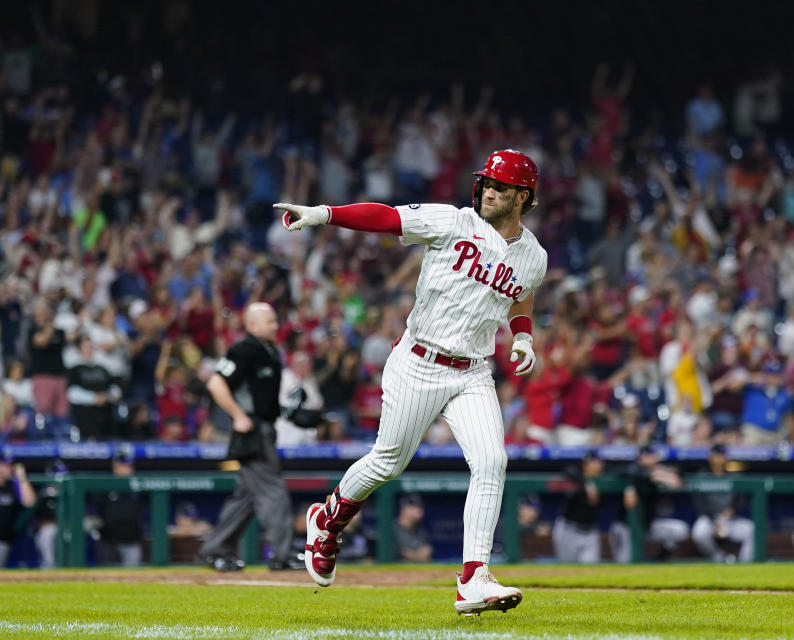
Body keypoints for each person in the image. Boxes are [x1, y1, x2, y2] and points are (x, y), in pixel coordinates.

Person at [276, 148, 547, 615]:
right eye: (486, 182)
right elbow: (384, 217)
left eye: (500, 186)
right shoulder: (453, 221)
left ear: (523, 196)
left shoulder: (534, 255)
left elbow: (520, 301)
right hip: (418, 360)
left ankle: (474, 578)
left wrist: (523, 339)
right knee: (387, 463)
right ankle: (328, 517)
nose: (488, 191)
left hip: (473, 371)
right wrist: (323, 214)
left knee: (492, 462)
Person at [196, 302, 303, 572]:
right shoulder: (244, 349)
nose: (276, 326)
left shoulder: (269, 351)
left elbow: (263, 397)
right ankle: (283, 553)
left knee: (245, 499)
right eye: (269, 322)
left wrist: (290, 413)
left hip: (264, 428)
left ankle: (214, 550)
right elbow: (215, 382)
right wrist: (238, 415)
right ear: (253, 325)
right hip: (252, 433)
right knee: (273, 492)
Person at [610, 445, 689, 563]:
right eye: (648, 456)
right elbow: (626, 471)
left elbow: (679, 477)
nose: (652, 458)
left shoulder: (659, 470)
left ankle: (663, 555)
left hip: (648, 526)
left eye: (652, 456)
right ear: (640, 458)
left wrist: (663, 474)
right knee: (625, 563)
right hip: (626, 528)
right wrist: (631, 488)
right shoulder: (632, 470)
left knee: (680, 530)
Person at [691, 444, 755, 562]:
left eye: (722, 455)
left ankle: (745, 562)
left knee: (753, 530)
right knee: (699, 533)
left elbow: (742, 501)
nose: (719, 459)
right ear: (710, 458)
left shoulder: (736, 476)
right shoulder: (702, 476)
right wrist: (713, 522)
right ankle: (718, 558)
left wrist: (733, 510)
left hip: (730, 519)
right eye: (716, 456)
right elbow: (700, 504)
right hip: (709, 519)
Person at [94, 448, 143, 567]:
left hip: (131, 542)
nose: (125, 468)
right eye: (122, 464)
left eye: (128, 465)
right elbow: (96, 511)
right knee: (106, 578)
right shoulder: (105, 486)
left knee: (133, 579)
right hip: (109, 542)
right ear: (114, 466)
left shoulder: (139, 486)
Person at [554, 451, 604, 564]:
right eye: (592, 462)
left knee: (590, 572)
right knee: (567, 570)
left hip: (590, 532)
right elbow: (568, 469)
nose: (597, 465)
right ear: (585, 465)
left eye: (599, 462)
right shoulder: (576, 477)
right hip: (569, 530)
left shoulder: (604, 479)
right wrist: (587, 484)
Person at [393, 494, 433, 562]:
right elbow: (397, 553)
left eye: (421, 507)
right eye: (414, 507)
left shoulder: (421, 532)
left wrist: (412, 555)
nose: (419, 510)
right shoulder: (390, 529)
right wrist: (418, 556)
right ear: (403, 510)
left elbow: (427, 552)